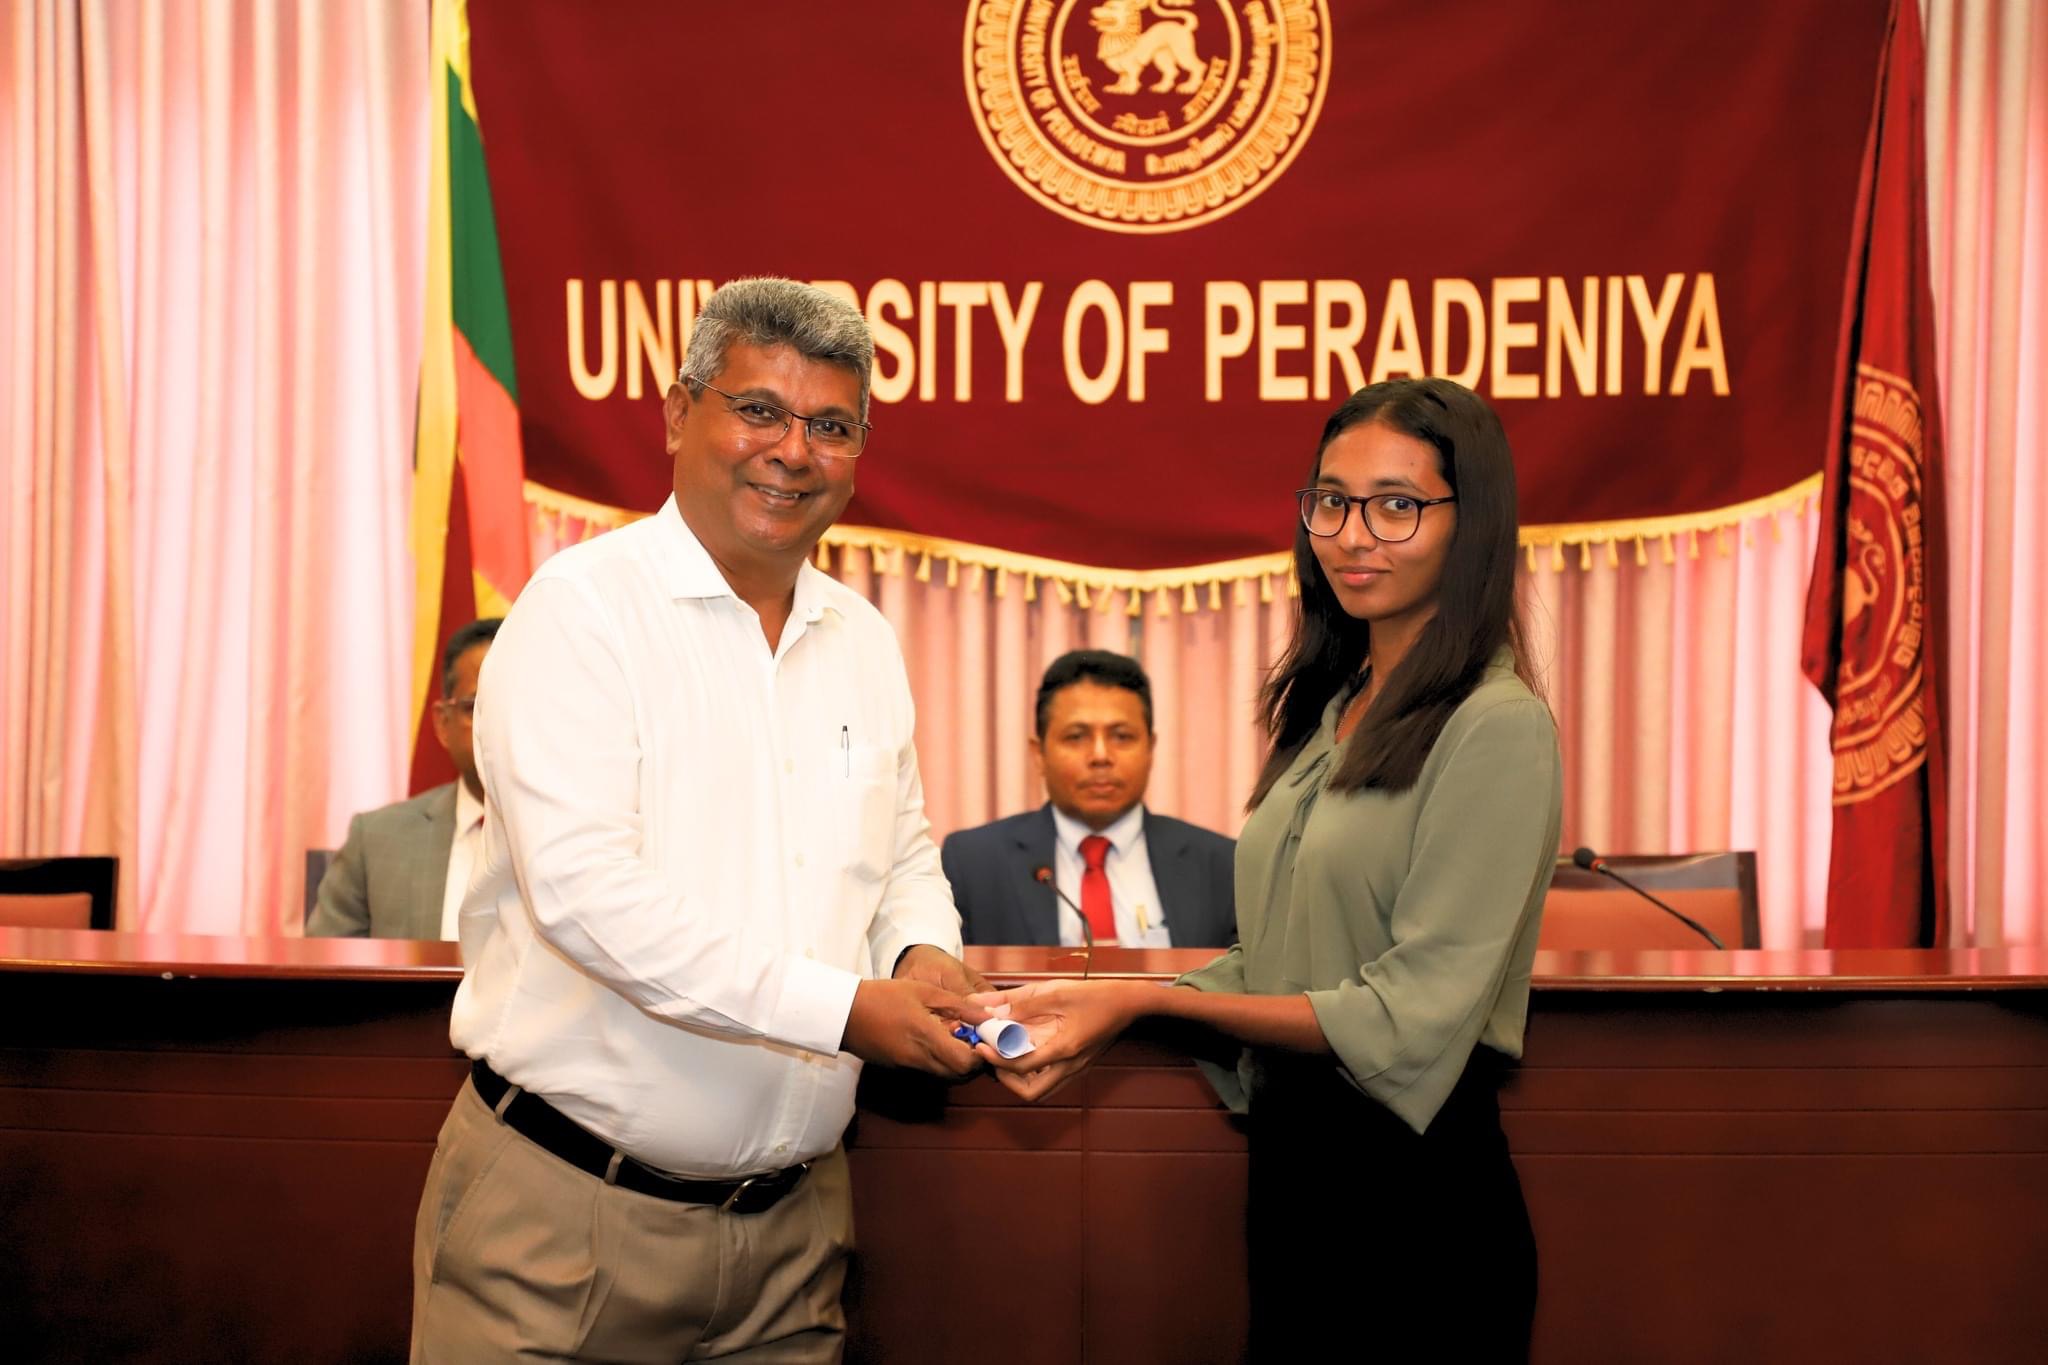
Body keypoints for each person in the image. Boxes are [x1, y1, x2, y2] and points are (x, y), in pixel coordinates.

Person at [410, 278, 990, 1363]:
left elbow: (902, 850)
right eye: (758, 410)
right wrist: (845, 1010)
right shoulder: (579, 613)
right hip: (567, 1221)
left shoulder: (861, 638)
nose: (793, 451)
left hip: (794, 1234)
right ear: (679, 414)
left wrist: (923, 954)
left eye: (831, 426)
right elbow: (589, 899)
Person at [976, 378, 1563, 1362]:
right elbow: (1273, 961)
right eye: (1331, 501)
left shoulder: (1496, 726)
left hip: (1417, 1209)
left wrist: (1143, 1002)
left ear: (1473, 524)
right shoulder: (1331, 708)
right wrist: (1102, 1002)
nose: (1352, 535)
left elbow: (1406, 1013)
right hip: (1294, 1187)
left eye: (1396, 504)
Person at [943, 649, 1236, 948]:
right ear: (1039, 753)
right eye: (1076, 736)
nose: (1100, 756)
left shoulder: (1222, 864)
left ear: (1151, 748)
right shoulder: (972, 862)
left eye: (1121, 736)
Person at [307, 618, 499, 940]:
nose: (497, 722)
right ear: (443, 723)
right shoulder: (375, 842)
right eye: (475, 706)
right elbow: (324, 966)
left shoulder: (580, 835)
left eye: (513, 707)